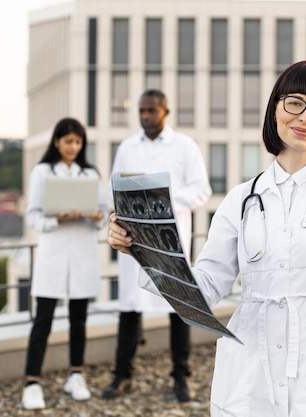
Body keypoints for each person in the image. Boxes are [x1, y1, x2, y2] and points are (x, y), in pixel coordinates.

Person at [108, 59, 306, 416]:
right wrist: (144, 247)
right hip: (247, 376)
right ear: (275, 107)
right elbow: (203, 293)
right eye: (294, 102)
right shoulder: (241, 199)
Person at [102, 89, 212, 402]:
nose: (146, 117)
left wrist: (163, 201)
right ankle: (121, 375)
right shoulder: (127, 146)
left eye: (151, 111)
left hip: (169, 238)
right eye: (142, 111)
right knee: (129, 308)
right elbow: (115, 187)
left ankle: (181, 377)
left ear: (166, 111)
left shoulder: (185, 146)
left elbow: (201, 190)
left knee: (178, 307)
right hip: (134, 238)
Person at [21, 117, 109, 410]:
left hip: (82, 255)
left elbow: (104, 216)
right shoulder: (42, 172)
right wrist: (55, 219)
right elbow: (32, 216)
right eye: (68, 140)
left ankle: (76, 375)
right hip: (53, 256)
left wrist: (97, 217)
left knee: (79, 321)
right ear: (56, 141)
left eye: (78, 141)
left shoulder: (90, 173)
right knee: (42, 321)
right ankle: (32, 382)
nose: (73, 146)